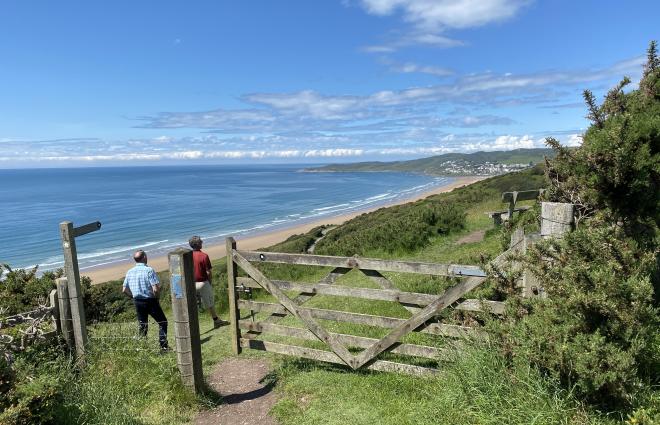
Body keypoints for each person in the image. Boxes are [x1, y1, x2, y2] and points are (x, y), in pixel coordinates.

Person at [122, 250, 168, 350]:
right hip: (150, 300)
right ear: (144, 257)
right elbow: (155, 288)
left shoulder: (129, 272)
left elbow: (124, 290)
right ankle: (163, 346)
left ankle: (143, 348)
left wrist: (133, 296)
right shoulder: (149, 270)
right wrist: (157, 298)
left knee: (143, 325)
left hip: (137, 301)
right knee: (162, 322)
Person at [189, 236, 227, 328]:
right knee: (210, 303)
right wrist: (209, 283)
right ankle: (216, 320)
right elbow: (208, 272)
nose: (202, 242)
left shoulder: (188, 255)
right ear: (197, 244)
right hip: (202, 282)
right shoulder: (204, 256)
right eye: (200, 241)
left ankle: (191, 324)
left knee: (192, 305)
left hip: (191, 284)